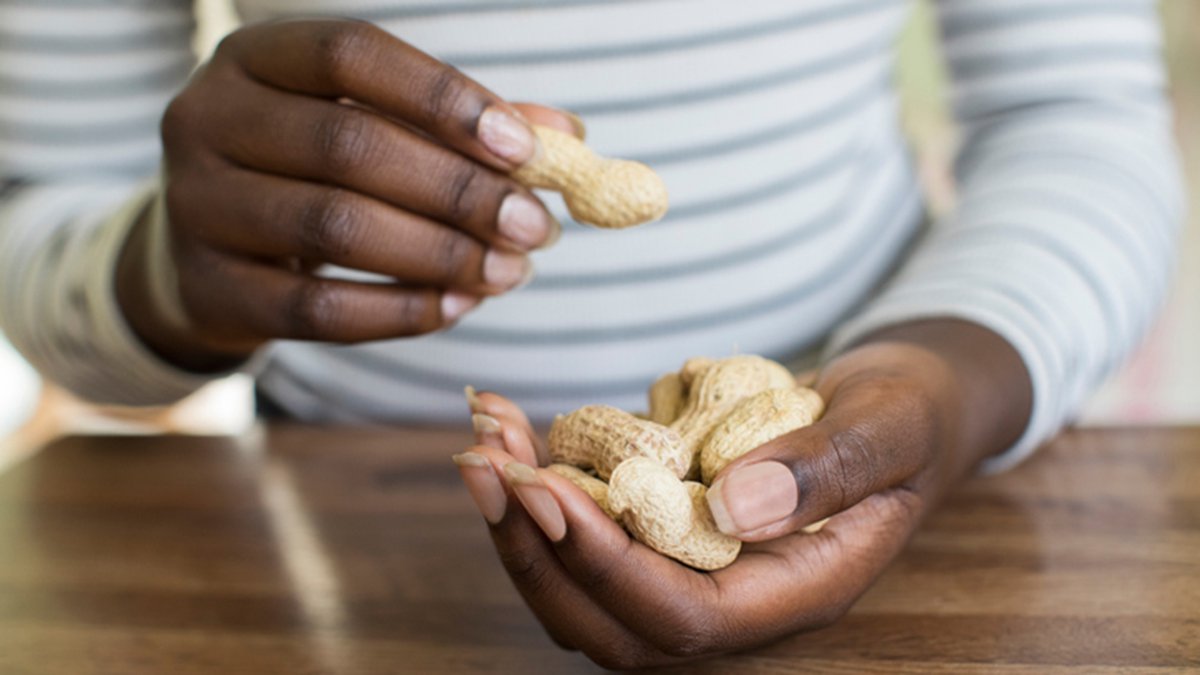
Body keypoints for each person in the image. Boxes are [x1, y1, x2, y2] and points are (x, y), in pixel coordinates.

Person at [0, 0, 1184, 666]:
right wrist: (166, 271)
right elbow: (44, 210)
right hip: (333, 549)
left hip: (886, 509)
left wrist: (950, 372)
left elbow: (1073, 111)